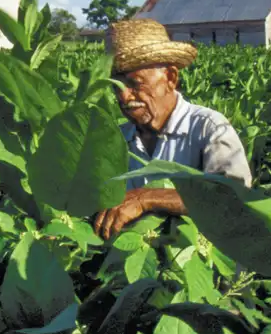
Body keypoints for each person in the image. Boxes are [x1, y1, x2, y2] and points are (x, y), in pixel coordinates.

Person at [94, 19, 252, 240]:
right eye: (116, 86)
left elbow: (234, 200)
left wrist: (146, 198)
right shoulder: (115, 139)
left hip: (202, 258)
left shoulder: (208, 128)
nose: (124, 96)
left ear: (170, 78)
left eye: (135, 83)